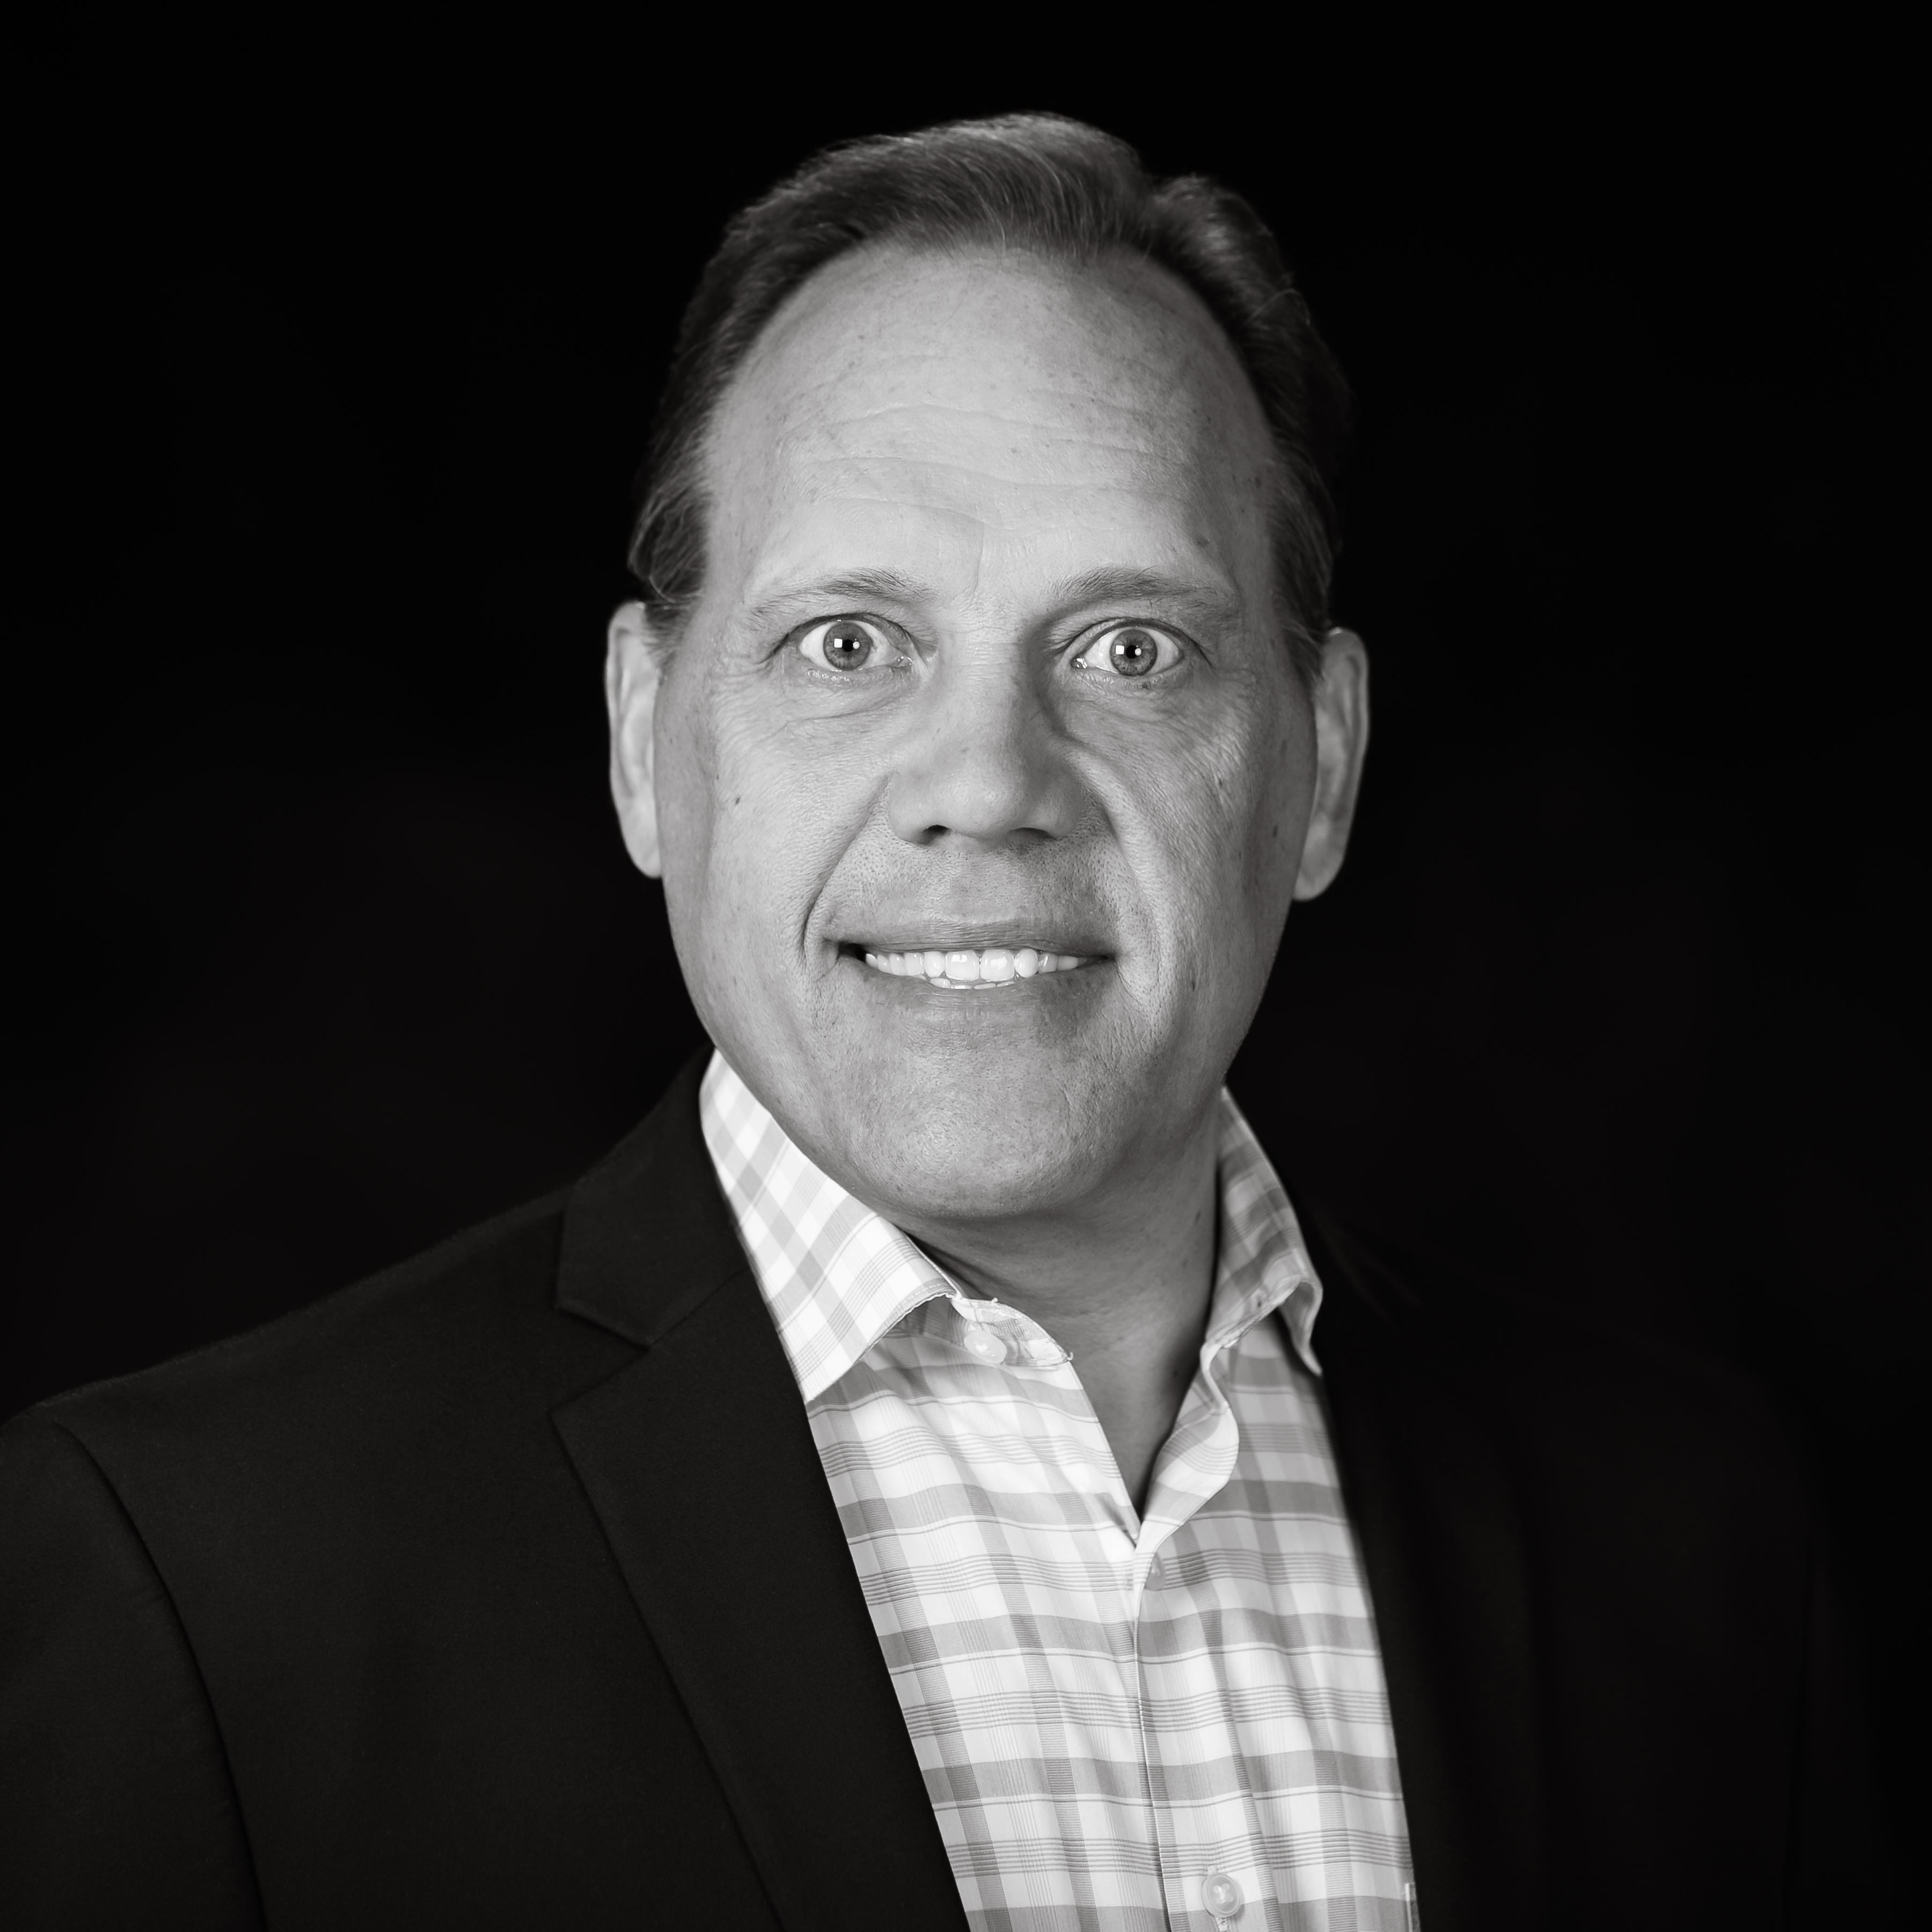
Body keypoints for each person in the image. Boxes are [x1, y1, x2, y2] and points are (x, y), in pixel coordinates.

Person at [0, 115, 1880, 1931]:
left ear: (1319, 772)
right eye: (851, 645)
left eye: (1131, 650)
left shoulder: (1697, 1541)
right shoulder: (192, 1574)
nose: (988, 786)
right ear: (647, 743)